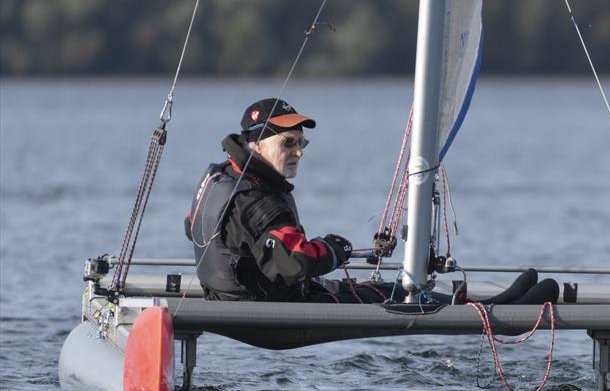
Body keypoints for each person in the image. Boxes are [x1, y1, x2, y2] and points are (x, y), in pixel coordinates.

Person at [186, 97, 559, 305]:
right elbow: (295, 261)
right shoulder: (259, 202)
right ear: (256, 144)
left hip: (231, 295)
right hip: (265, 312)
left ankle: (479, 306)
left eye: (302, 143)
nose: (299, 151)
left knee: (384, 289)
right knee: (394, 295)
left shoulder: (222, 175)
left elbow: (191, 224)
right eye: (288, 143)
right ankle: (491, 316)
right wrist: (333, 249)